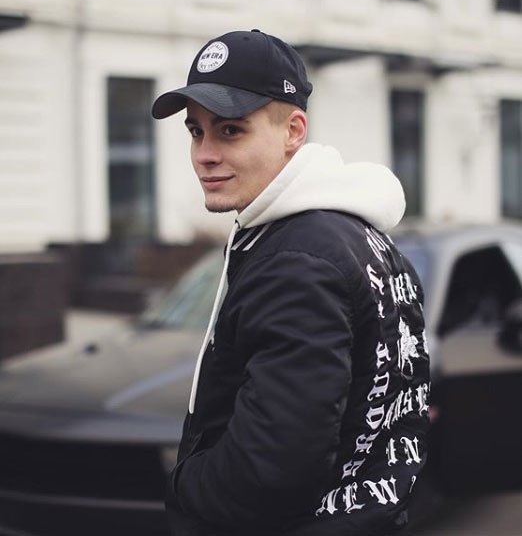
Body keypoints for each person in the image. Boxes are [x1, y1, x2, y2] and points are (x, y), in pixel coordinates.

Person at [152, 29, 430, 536]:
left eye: (230, 130)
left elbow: (270, 467)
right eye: (196, 131)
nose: (204, 154)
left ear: (293, 131)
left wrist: (184, 485)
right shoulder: (354, 235)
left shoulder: (297, 259)